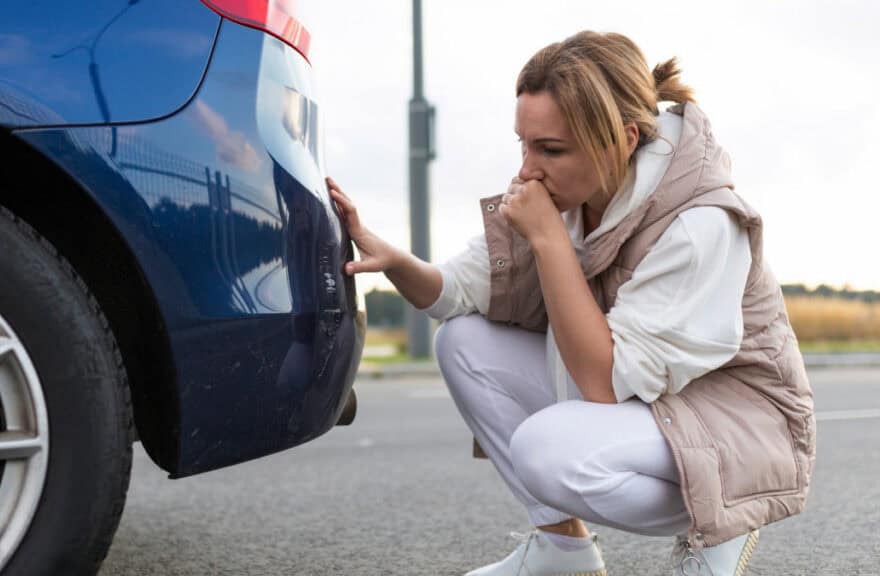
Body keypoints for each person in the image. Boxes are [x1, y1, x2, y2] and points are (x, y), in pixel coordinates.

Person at [327, 30, 815, 576]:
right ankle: (564, 554)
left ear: (624, 139)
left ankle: (722, 530)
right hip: (652, 404)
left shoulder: (699, 224)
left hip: (735, 432)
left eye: (550, 149)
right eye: (524, 143)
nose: (526, 170)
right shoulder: (569, 193)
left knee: (546, 450)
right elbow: (453, 292)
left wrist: (550, 242)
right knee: (462, 340)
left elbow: (601, 386)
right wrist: (392, 258)